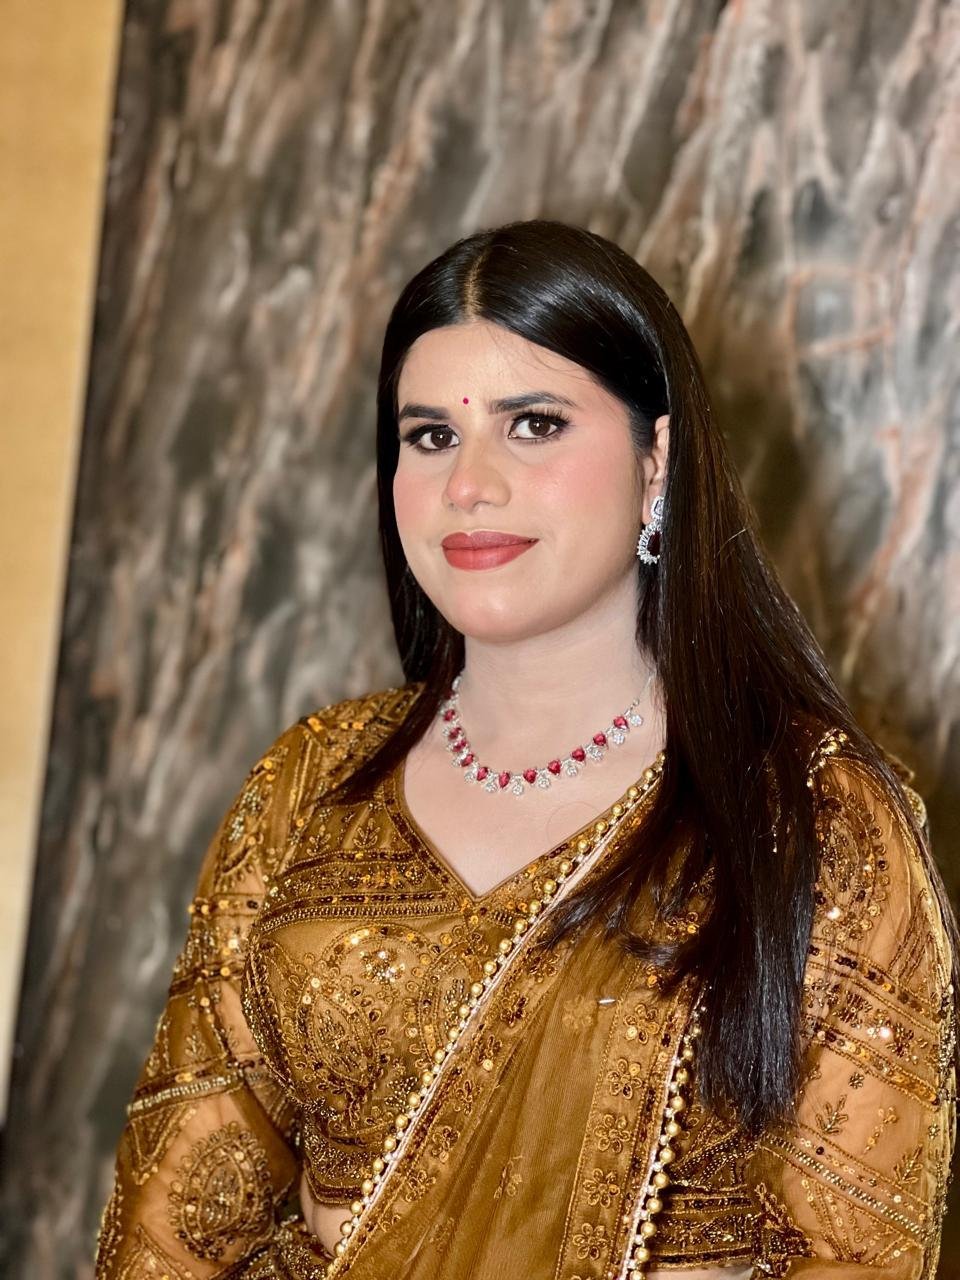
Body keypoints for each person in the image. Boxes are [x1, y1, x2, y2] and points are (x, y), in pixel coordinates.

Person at [95, 219, 958, 1280]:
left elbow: (856, 1254)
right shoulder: (312, 785)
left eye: (534, 424)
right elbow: (172, 1226)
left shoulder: (807, 819)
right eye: (429, 436)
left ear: (657, 461)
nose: (470, 484)